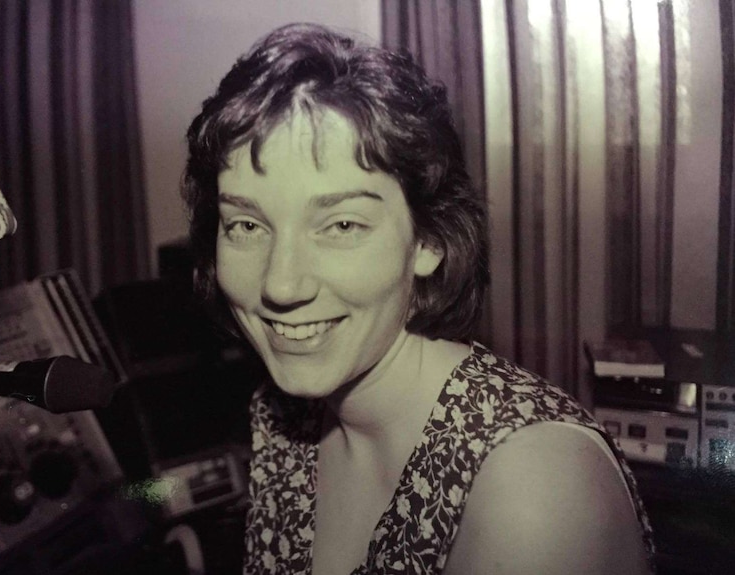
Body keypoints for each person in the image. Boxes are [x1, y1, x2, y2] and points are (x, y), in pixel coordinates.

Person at [181, 23, 654, 575]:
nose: (281, 286)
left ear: (428, 241)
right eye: (246, 226)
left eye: (341, 225)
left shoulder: (535, 490)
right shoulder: (285, 415)